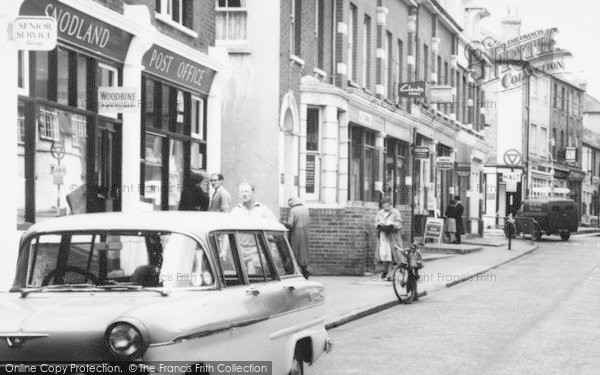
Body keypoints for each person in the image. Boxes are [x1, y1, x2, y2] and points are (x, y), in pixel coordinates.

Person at [374, 197, 402, 281]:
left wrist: (392, 224)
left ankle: (390, 274)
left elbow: (399, 224)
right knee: (383, 255)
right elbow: (375, 223)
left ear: (391, 205)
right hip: (382, 237)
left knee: (390, 255)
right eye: (384, 206)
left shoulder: (395, 212)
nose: (386, 207)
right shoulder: (380, 213)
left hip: (392, 237)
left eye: (388, 206)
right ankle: (385, 270)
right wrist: (379, 224)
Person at [285, 197, 310, 279]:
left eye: (290, 205)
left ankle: (293, 273)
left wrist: (284, 223)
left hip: (295, 235)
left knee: (294, 253)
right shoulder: (306, 209)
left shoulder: (293, 210)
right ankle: (305, 271)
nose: (290, 207)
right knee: (304, 252)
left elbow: (290, 224)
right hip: (305, 234)